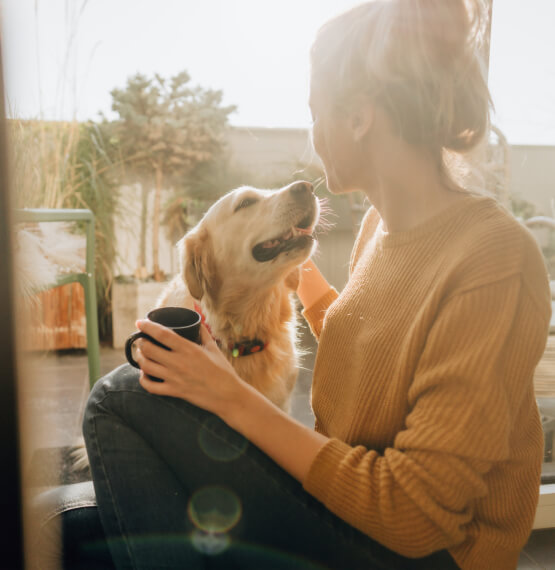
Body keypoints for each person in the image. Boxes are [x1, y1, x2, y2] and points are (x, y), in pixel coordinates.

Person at [36, 1, 550, 568]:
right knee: (51, 520)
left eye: (315, 111)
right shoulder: (383, 227)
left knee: (115, 398)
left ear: (357, 117)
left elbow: (415, 512)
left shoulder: (493, 256)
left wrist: (227, 394)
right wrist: (286, 270)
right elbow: (382, 352)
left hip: (422, 551)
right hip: (343, 503)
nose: (313, 133)